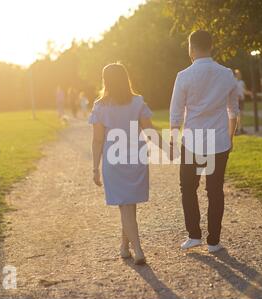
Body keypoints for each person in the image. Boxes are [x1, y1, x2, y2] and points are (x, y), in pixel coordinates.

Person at [170, 30, 239, 253]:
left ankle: (194, 236)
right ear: (211, 46)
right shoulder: (227, 74)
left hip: (192, 141)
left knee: (188, 188)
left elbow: (176, 114)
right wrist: (230, 137)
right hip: (219, 141)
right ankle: (214, 241)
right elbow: (233, 111)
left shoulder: (183, 76)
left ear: (191, 48)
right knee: (215, 190)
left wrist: (172, 140)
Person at [89, 63, 156, 265]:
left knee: (125, 205)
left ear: (105, 81)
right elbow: (150, 131)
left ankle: (138, 249)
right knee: (128, 205)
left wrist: (95, 168)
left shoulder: (100, 107)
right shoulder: (137, 102)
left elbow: (98, 140)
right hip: (136, 157)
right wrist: (169, 149)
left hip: (114, 159)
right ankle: (124, 246)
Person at [234, 69, 253, 135]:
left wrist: (250, 93)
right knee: (237, 115)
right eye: (238, 74)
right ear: (235, 75)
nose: (239, 75)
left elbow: (244, 91)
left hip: (241, 100)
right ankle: (236, 130)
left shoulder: (242, 82)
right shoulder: (234, 82)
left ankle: (240, 129)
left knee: (241, 115)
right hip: (236, 100)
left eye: (240, 74)